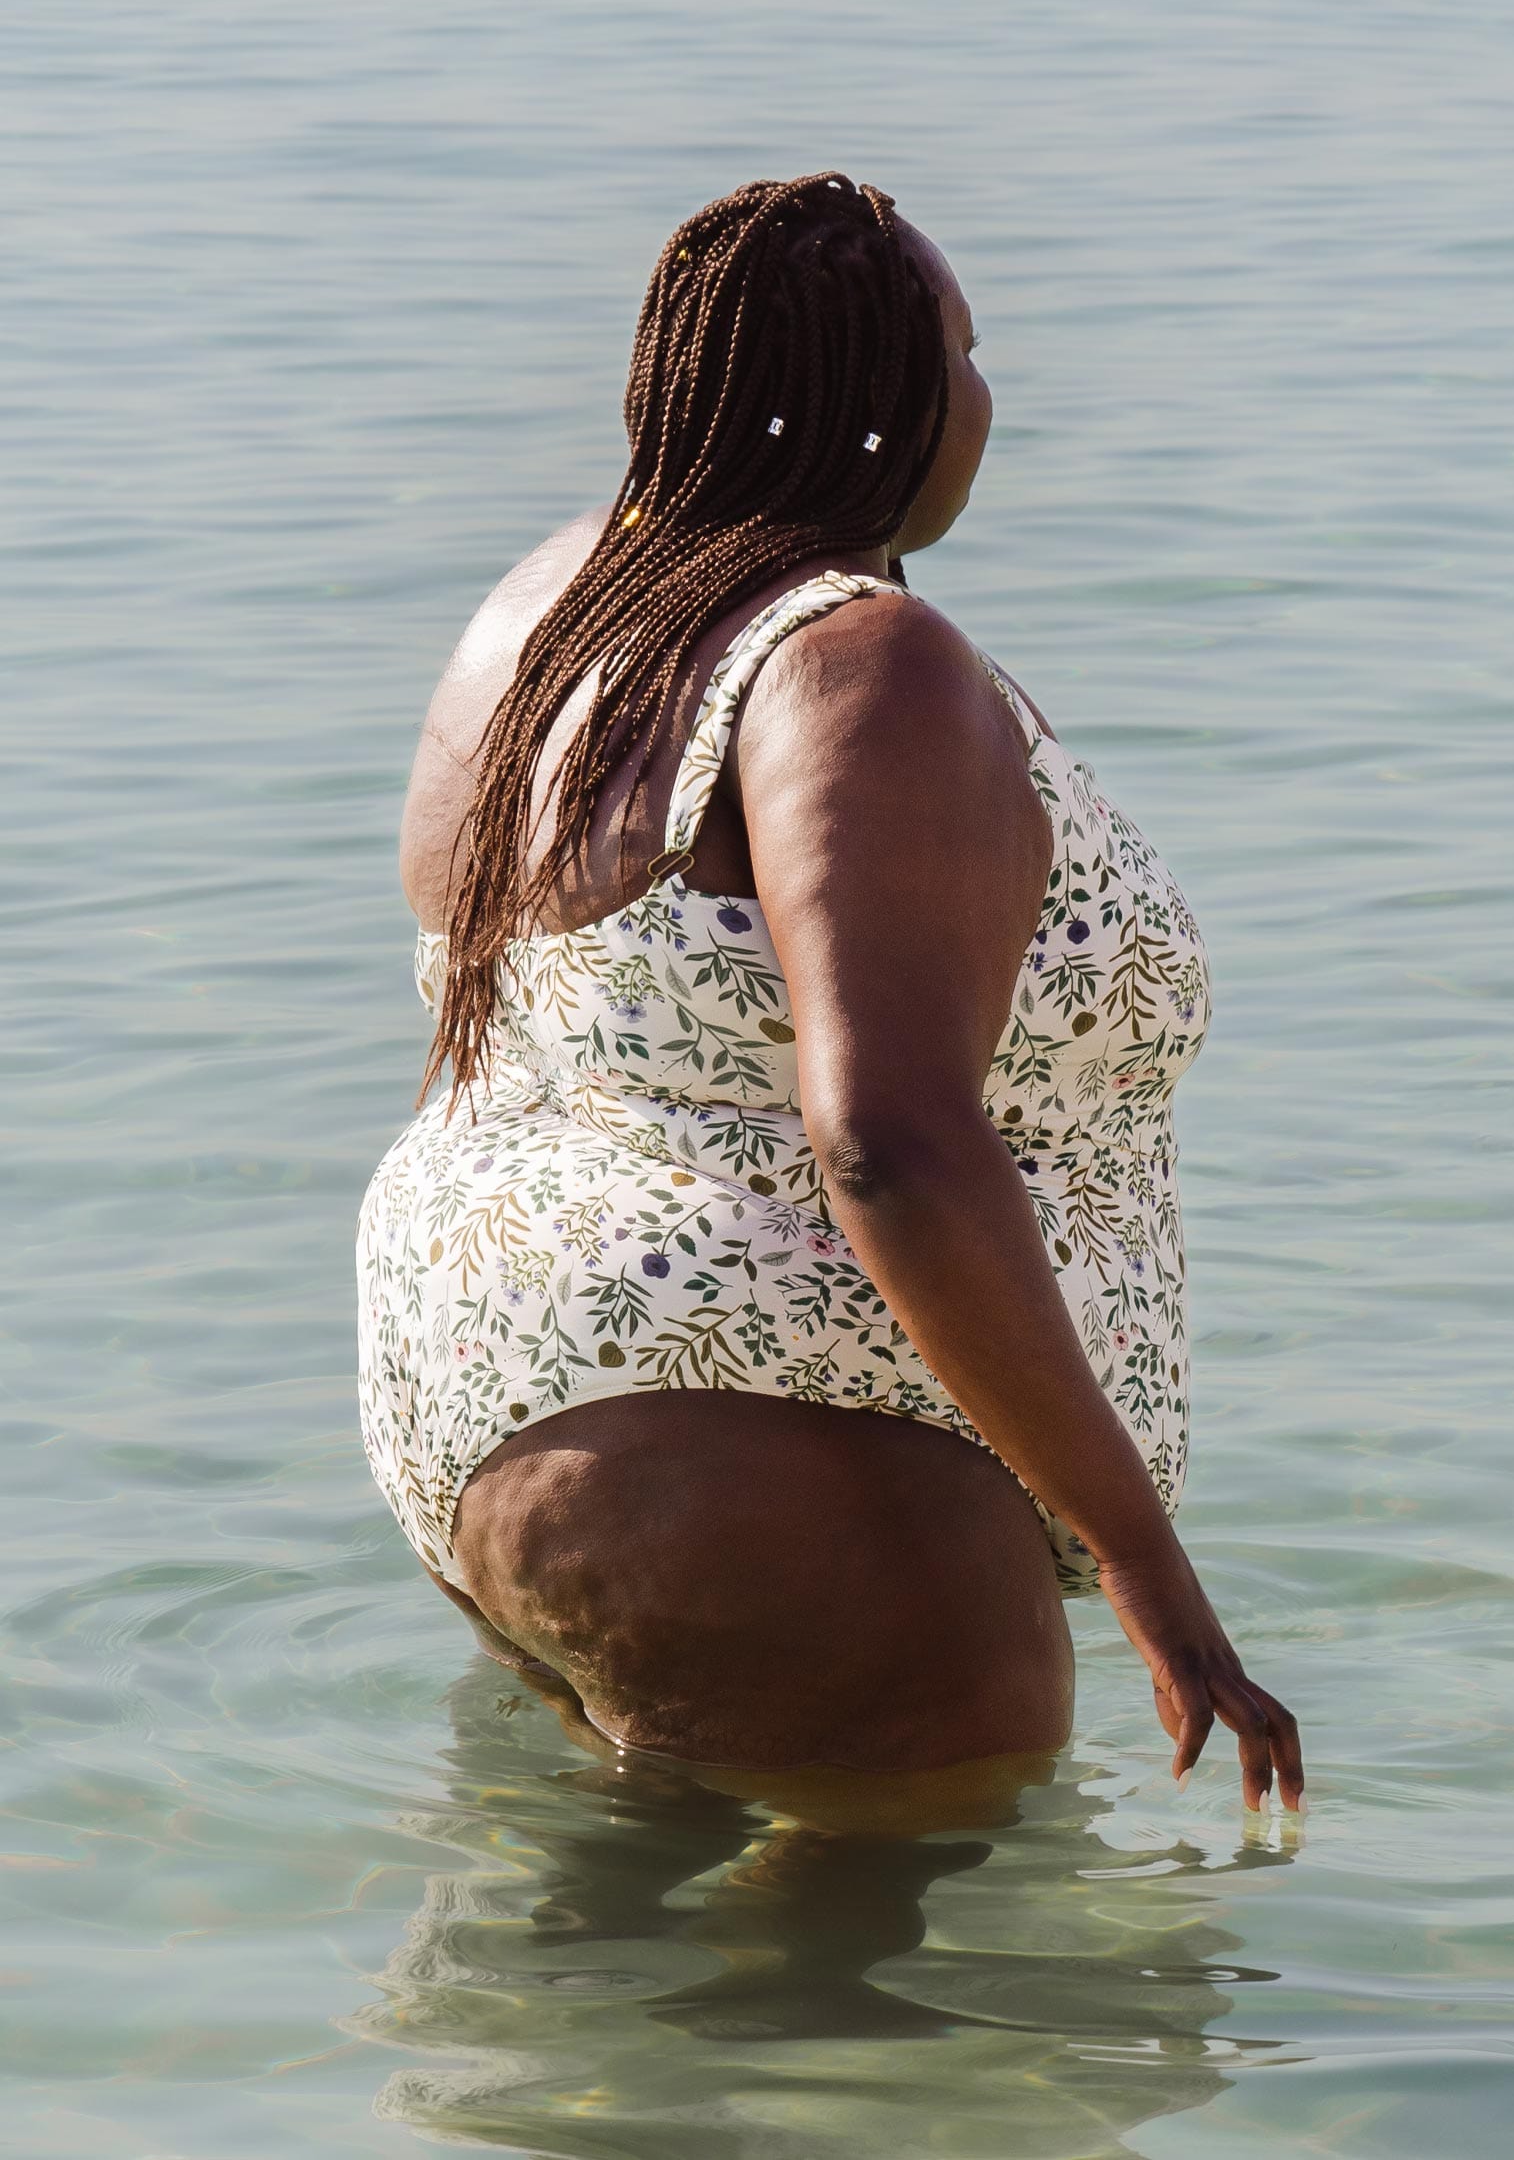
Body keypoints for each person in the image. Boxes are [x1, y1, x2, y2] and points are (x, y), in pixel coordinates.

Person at [356, 170, 1303, 1811]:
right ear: (890, 409)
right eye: (968, 358)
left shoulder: (557, 607)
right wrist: (1145, 1562)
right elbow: (889, 1141)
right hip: (768, 1458)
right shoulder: (864, 666)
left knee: (633, 1991)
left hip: (490, 1399)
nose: (990, 404)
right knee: (871, 2020)